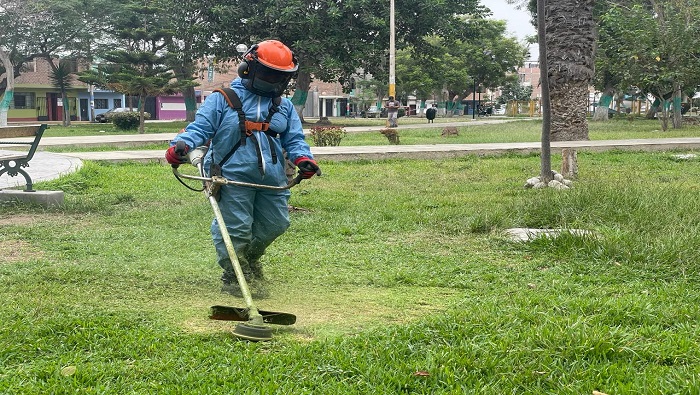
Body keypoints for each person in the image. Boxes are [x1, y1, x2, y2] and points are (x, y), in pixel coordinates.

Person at [165, 40, 320, 297]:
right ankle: (233, 274)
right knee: (235, 228)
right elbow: (199, 129)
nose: (272, 82)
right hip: (230, 176)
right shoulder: (224, 99)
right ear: (247, 68)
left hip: (272, 178)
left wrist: (304, 159)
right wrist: (180, 146)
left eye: (278, 77)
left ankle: (248, 259)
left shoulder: (285, 106)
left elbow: (294, 139)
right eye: (268, 75)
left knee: (276, 224)